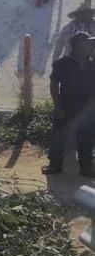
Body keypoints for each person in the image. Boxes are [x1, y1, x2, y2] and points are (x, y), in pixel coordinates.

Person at [43, 32, 95, 177]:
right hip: (66, 107)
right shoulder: (62, 64)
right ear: (77, 46)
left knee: (86, 138)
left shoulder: (92, 64)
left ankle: (86, 167)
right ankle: (54, 165)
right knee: (59, 137)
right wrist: (58, 106)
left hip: (87, 109)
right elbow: (54, 86)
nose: (91, 46)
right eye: (87, 43)